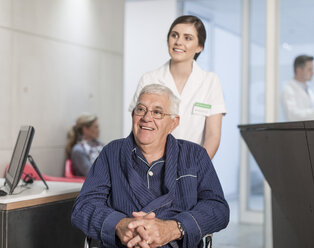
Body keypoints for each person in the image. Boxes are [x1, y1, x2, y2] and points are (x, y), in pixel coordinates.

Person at [71, 84, 229, 248]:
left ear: (173, 123)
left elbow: (218, 208)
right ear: (133, 115)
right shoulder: (111, 153)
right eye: (141, 109)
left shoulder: (195, 155)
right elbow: (83, 207)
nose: (146, 117)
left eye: (157, 112)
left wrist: (173, 228)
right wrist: (119, 225)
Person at [129, 15, 226, 159]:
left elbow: (213, 136)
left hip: (193, 165)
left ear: (199, 47)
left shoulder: (210, 81)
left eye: (187, 38)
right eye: (174, 35)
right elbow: (138, 128)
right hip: (152, 165)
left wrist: (197, 169)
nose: (178, 42)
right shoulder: (149, 79)